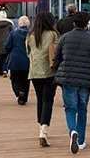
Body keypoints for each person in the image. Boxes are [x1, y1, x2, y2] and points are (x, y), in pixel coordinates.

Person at [54, 11, 90, 154]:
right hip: (86, 79)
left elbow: (57, 58)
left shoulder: (65, 38)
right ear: (87, 24)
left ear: (74, 23)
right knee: (82, 109)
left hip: (68, 77)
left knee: (70, 108)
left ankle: (73, 131)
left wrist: (57, 74)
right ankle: (80, 141)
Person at [27, 11, 59, 147]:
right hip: (49, 71)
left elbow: (28, 53)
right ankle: (44, 130)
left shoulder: (31, 35)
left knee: (40, 99)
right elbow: (57, 52)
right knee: (48, 100)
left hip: (34, 72)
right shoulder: (53, 34)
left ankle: (41, 127)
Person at [5, 15, 31, 105]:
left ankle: (18, 92)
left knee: (15, 79)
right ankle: (24, 97)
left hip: (15, 60)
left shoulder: (13, 33)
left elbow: (7, 46)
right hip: (27, 60)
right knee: (26, 80)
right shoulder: (30, 34)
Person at [0, 10, 14, 77]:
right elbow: (12, 34)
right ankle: (5, 70)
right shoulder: (9, 24)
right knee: (6, 58)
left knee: (0, 58)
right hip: (6, 42)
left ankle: (0, 71)